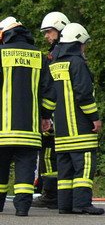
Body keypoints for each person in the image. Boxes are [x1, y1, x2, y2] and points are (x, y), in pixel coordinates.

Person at [0, 17, 56, 216]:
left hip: (2, 131)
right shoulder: (39, 57)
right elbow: (50, 92)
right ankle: (22, 209)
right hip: (30, 131)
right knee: (25, 168)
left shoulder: (1, 54)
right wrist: (45, 117)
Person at [49, 22, 105, 214]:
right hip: (80, 128)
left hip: (61, 130)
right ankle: (82, 204)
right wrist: (95, 118)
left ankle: (65, 205)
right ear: (78, 42)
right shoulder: (77, 63)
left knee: (65, 171)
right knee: (84, 167)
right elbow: (83, 94)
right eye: (83, 44)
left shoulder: (54, 63)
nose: (84, 48)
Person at [32, 11, 69, 208]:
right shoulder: (70, 51)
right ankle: (58, 193)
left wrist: (46, 115)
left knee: (48, 152)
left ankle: (50, 194)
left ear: (61, 29)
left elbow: (50, 87)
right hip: (63, 112)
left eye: (49, 31)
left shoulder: (56, 55)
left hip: (55, 112)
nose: (46, 36)